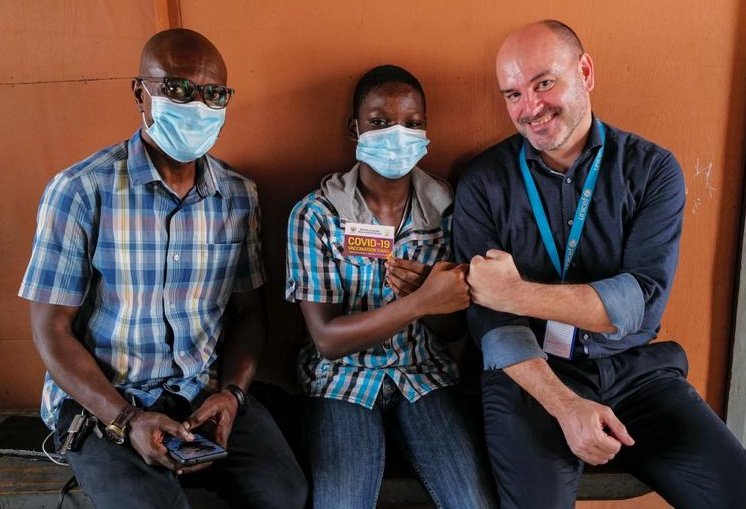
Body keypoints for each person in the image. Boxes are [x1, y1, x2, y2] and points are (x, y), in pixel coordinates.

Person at [454, 19, 746, 509]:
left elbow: (638, 306)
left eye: (544, 83)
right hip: (533, 376)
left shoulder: (653, 170)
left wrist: (514, 291)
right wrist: (567, 406)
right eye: (513, 94)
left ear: (585, 71)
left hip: (635, 372)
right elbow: (494, 323)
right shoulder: (483, 182)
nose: (530, 109)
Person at [19, 28, 306, 509]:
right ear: (140, 93)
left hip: (203, 389)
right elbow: (51, 330)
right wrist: (127, 420)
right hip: (107, 399)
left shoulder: (238, 196)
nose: (197, 105)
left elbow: (250, 314)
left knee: (285, 494)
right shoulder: (80, 190)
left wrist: (232, 395)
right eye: (177, 88)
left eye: (213, 93)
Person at [285, 65, 497, 509]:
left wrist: (437, 306)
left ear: (425, 132)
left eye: (412, 123)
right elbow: (327, 342)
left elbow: (455, 330)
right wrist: (420, 302)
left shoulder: (447, 209)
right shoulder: (317, 215)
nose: (397, 135)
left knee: (473, 502)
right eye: (380, 122)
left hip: (424, 372)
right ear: (354, 128)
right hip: (341, 380)